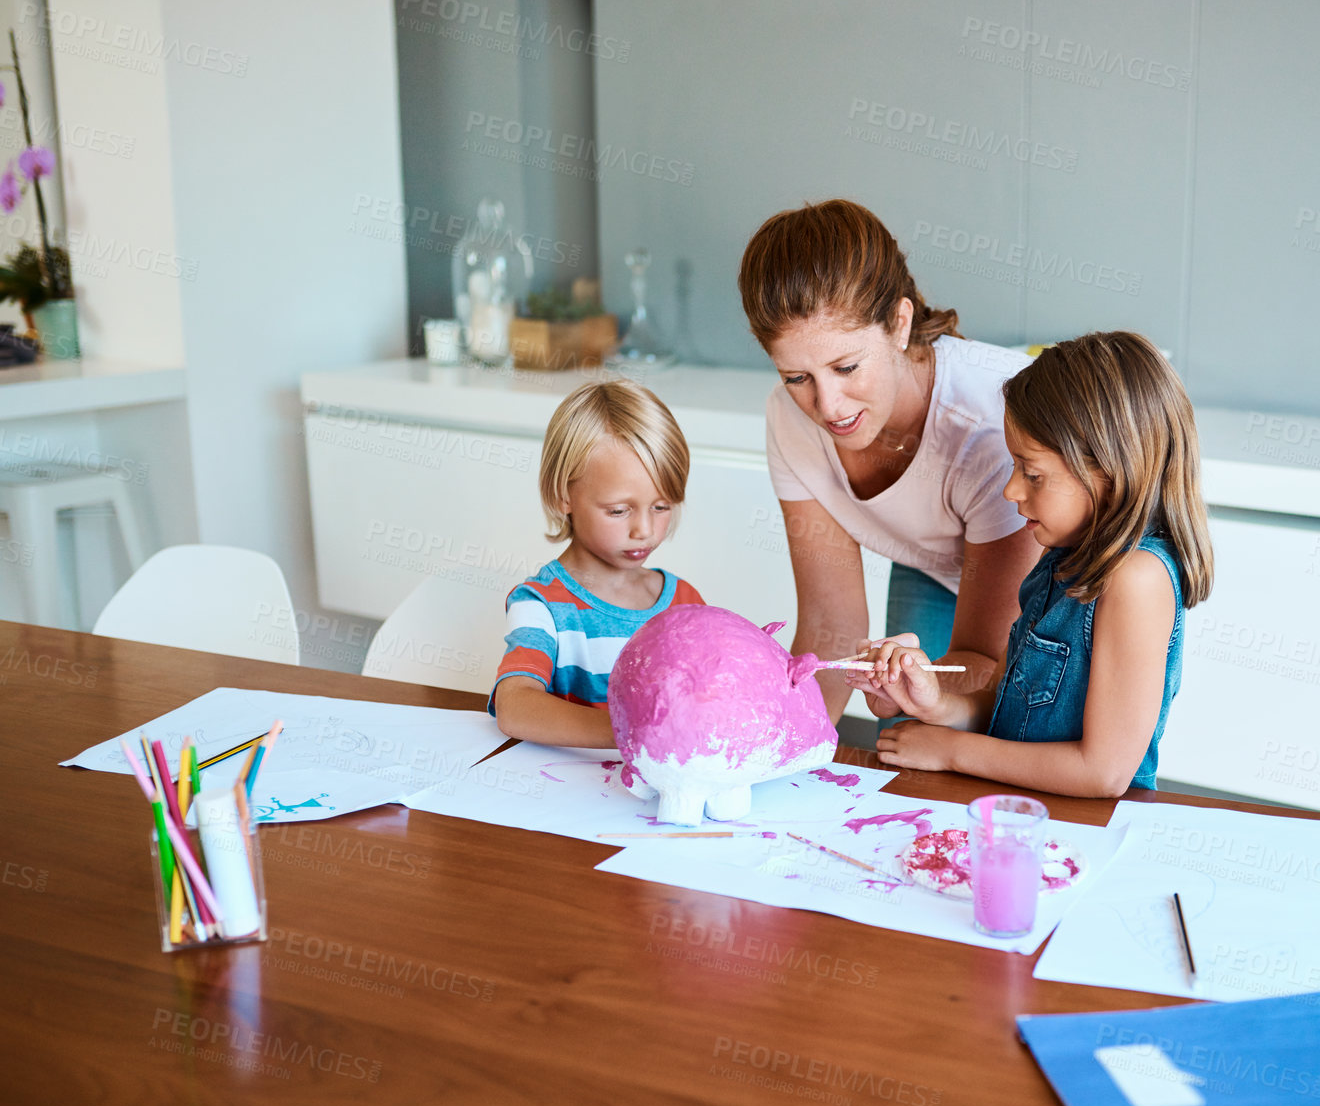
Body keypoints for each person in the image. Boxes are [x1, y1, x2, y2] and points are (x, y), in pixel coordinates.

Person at [847, 332, 1213, 797]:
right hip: (1016, 808)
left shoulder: (1136, 580)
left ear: (1108, 469)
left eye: (1032, 473)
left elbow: (1102, 773)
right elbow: (1001, 707)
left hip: (1085, 829)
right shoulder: (1059, 559)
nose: (1012, 491)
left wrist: (951, 752)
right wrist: (934, 703)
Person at [738, 199, 1043, 724]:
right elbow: (828, 627)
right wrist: (785, 752)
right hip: (928, 559)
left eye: (847, 366)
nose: (827, 407)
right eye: (796, 377)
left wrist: (919, 693)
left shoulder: (991, 424)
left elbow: (987, 661)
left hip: (1054, 587)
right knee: (901, 724)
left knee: (984, 725)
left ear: (899, 324)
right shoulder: (789, 421)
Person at [491, 379, 704, 747]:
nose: (644, 530)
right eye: (619, 510)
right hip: (570, 793)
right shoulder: (543, 605)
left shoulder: (683, 601)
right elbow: (515, 706)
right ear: (563, 497)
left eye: (662, 507)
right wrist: (636, 734)